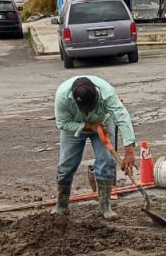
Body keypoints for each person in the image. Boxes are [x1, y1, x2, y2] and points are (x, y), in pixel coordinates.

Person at [53, 76, 136, 220]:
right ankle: (62, 205)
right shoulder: (62, 97)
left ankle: (105, 206)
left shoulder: (107, 93)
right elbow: (62, 123)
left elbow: (122, 118)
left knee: (106, 161)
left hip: (103, 122)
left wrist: (129, 151)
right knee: (66, 164)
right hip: (73, 126)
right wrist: (87, 126)